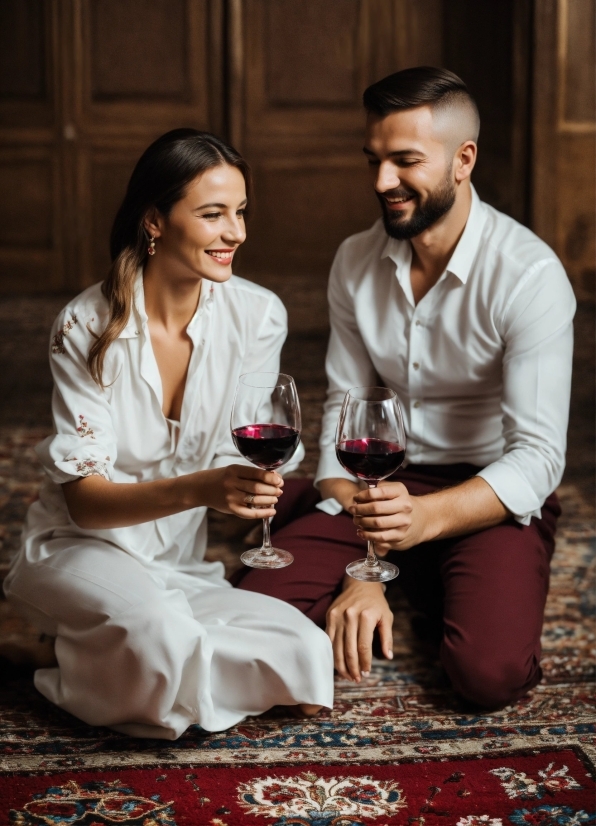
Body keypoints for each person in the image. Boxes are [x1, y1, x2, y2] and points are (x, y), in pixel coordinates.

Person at [236, 67, 576, 709]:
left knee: (489, 674)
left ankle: (432, 567)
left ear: (462, 160)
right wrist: (366, 568)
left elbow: (538, 458)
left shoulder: (530, 276)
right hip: (376, 482)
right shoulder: (353, 261)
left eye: (405, 161)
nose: (381, 182)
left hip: (482, 492)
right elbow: (343, 411)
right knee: (249, 611)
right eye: (374, 159)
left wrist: (422, 521)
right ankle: (402, 571)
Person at [3, 129, 333, 739]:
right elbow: (84, 500)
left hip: (177, 566)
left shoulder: (258, 314)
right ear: (155, 221)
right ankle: (73, 658)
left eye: (240, 212)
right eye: (213, 214)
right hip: (80, 547)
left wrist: (254, 482)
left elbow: (258, 439)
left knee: (307, 656)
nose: (235, 232)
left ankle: (105, 650)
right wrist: (202, 488)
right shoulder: (83, 325)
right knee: (160, 637)